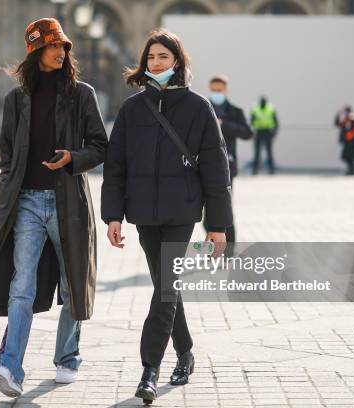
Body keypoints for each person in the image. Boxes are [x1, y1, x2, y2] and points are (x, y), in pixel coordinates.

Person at [0, 18, 107, 398]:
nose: (61, 52)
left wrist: (72, 158)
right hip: (26, 202)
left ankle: (67, 358)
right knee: (21, 285)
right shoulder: (16, 99)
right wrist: (7, 198)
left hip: (67, 202)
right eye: (53, 46)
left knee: (72, 281)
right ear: (35, 51)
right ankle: (9, 366)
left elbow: (100, 146)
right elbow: (7, 157)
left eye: (64, 47)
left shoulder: (82, 95)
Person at [101, 29, 233, 404]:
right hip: (143, 212)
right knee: (166, 285)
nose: (156, 63)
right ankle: (186, 353)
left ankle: (149, 370)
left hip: (181, 211)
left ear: (177, 62)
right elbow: (116, 166)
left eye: (163, 57)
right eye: (151, 58)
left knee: (164, 287)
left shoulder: (198, 107)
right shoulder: (131, 109)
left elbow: (216, 170)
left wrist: (218, 226)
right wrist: (113, 215)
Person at [204, 75, 253, 243]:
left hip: (227, 166)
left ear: (225, 90)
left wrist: (224, 125)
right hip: (203, 166)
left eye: (219, 90)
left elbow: (247, 133)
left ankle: (229, 250)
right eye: (213, 90)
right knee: (206, 215)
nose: (216, 93)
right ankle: (213, 249)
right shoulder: (203, 108)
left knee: (224, 210)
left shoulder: (235, 111)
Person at [251, 96, 279, 175]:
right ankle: (255, 170)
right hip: (258, 132)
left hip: (268, 132)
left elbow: (276, 122)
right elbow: (252, 121)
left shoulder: (270, 109)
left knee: (269, 152)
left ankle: (271, 169)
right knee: (257, 153)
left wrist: (274, 133)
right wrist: (253, 133)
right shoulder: (255, 109)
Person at [334, 105, 354, 175]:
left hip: (350, 141)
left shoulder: (351, 117)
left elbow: (352, 126)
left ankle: (352, 170)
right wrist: (338, 114)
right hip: (347, 141)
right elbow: (337, 124)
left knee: (350, 157)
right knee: (347, 157)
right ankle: (350, 169)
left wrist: (348, 136)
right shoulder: (345, 119)